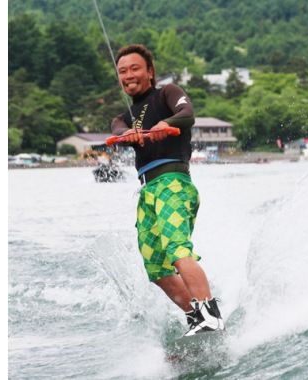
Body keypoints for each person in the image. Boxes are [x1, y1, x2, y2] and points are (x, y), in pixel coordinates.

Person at [110, 44, 224, 336]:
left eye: (135, 68)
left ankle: (210, 314)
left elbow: (187, 114)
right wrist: (127, 134)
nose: (128, 75)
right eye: (122, 71)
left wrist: (166, 123)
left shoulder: (167, 93)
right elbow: (117, 129)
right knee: (157, 269)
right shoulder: (124, 116)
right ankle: (195, 317)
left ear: (150, 72)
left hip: (173, 183)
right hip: (147, 193)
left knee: (177, 249)